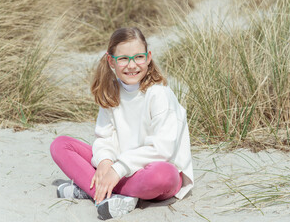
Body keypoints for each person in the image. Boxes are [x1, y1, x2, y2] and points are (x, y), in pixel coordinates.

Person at [50, 27, 194, 220]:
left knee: (164, 174)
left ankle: (93, 189)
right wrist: (104, 161)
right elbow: (104, 137)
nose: (132, 65)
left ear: (148, 57)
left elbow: (163, 149)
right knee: (60, 145)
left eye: (138, 57)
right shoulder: (112, 91)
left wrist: (117, 170)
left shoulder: (159, 94)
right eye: (124, 58)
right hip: (119, 169)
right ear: (111, 61)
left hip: (151, 173)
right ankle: (109, 195)